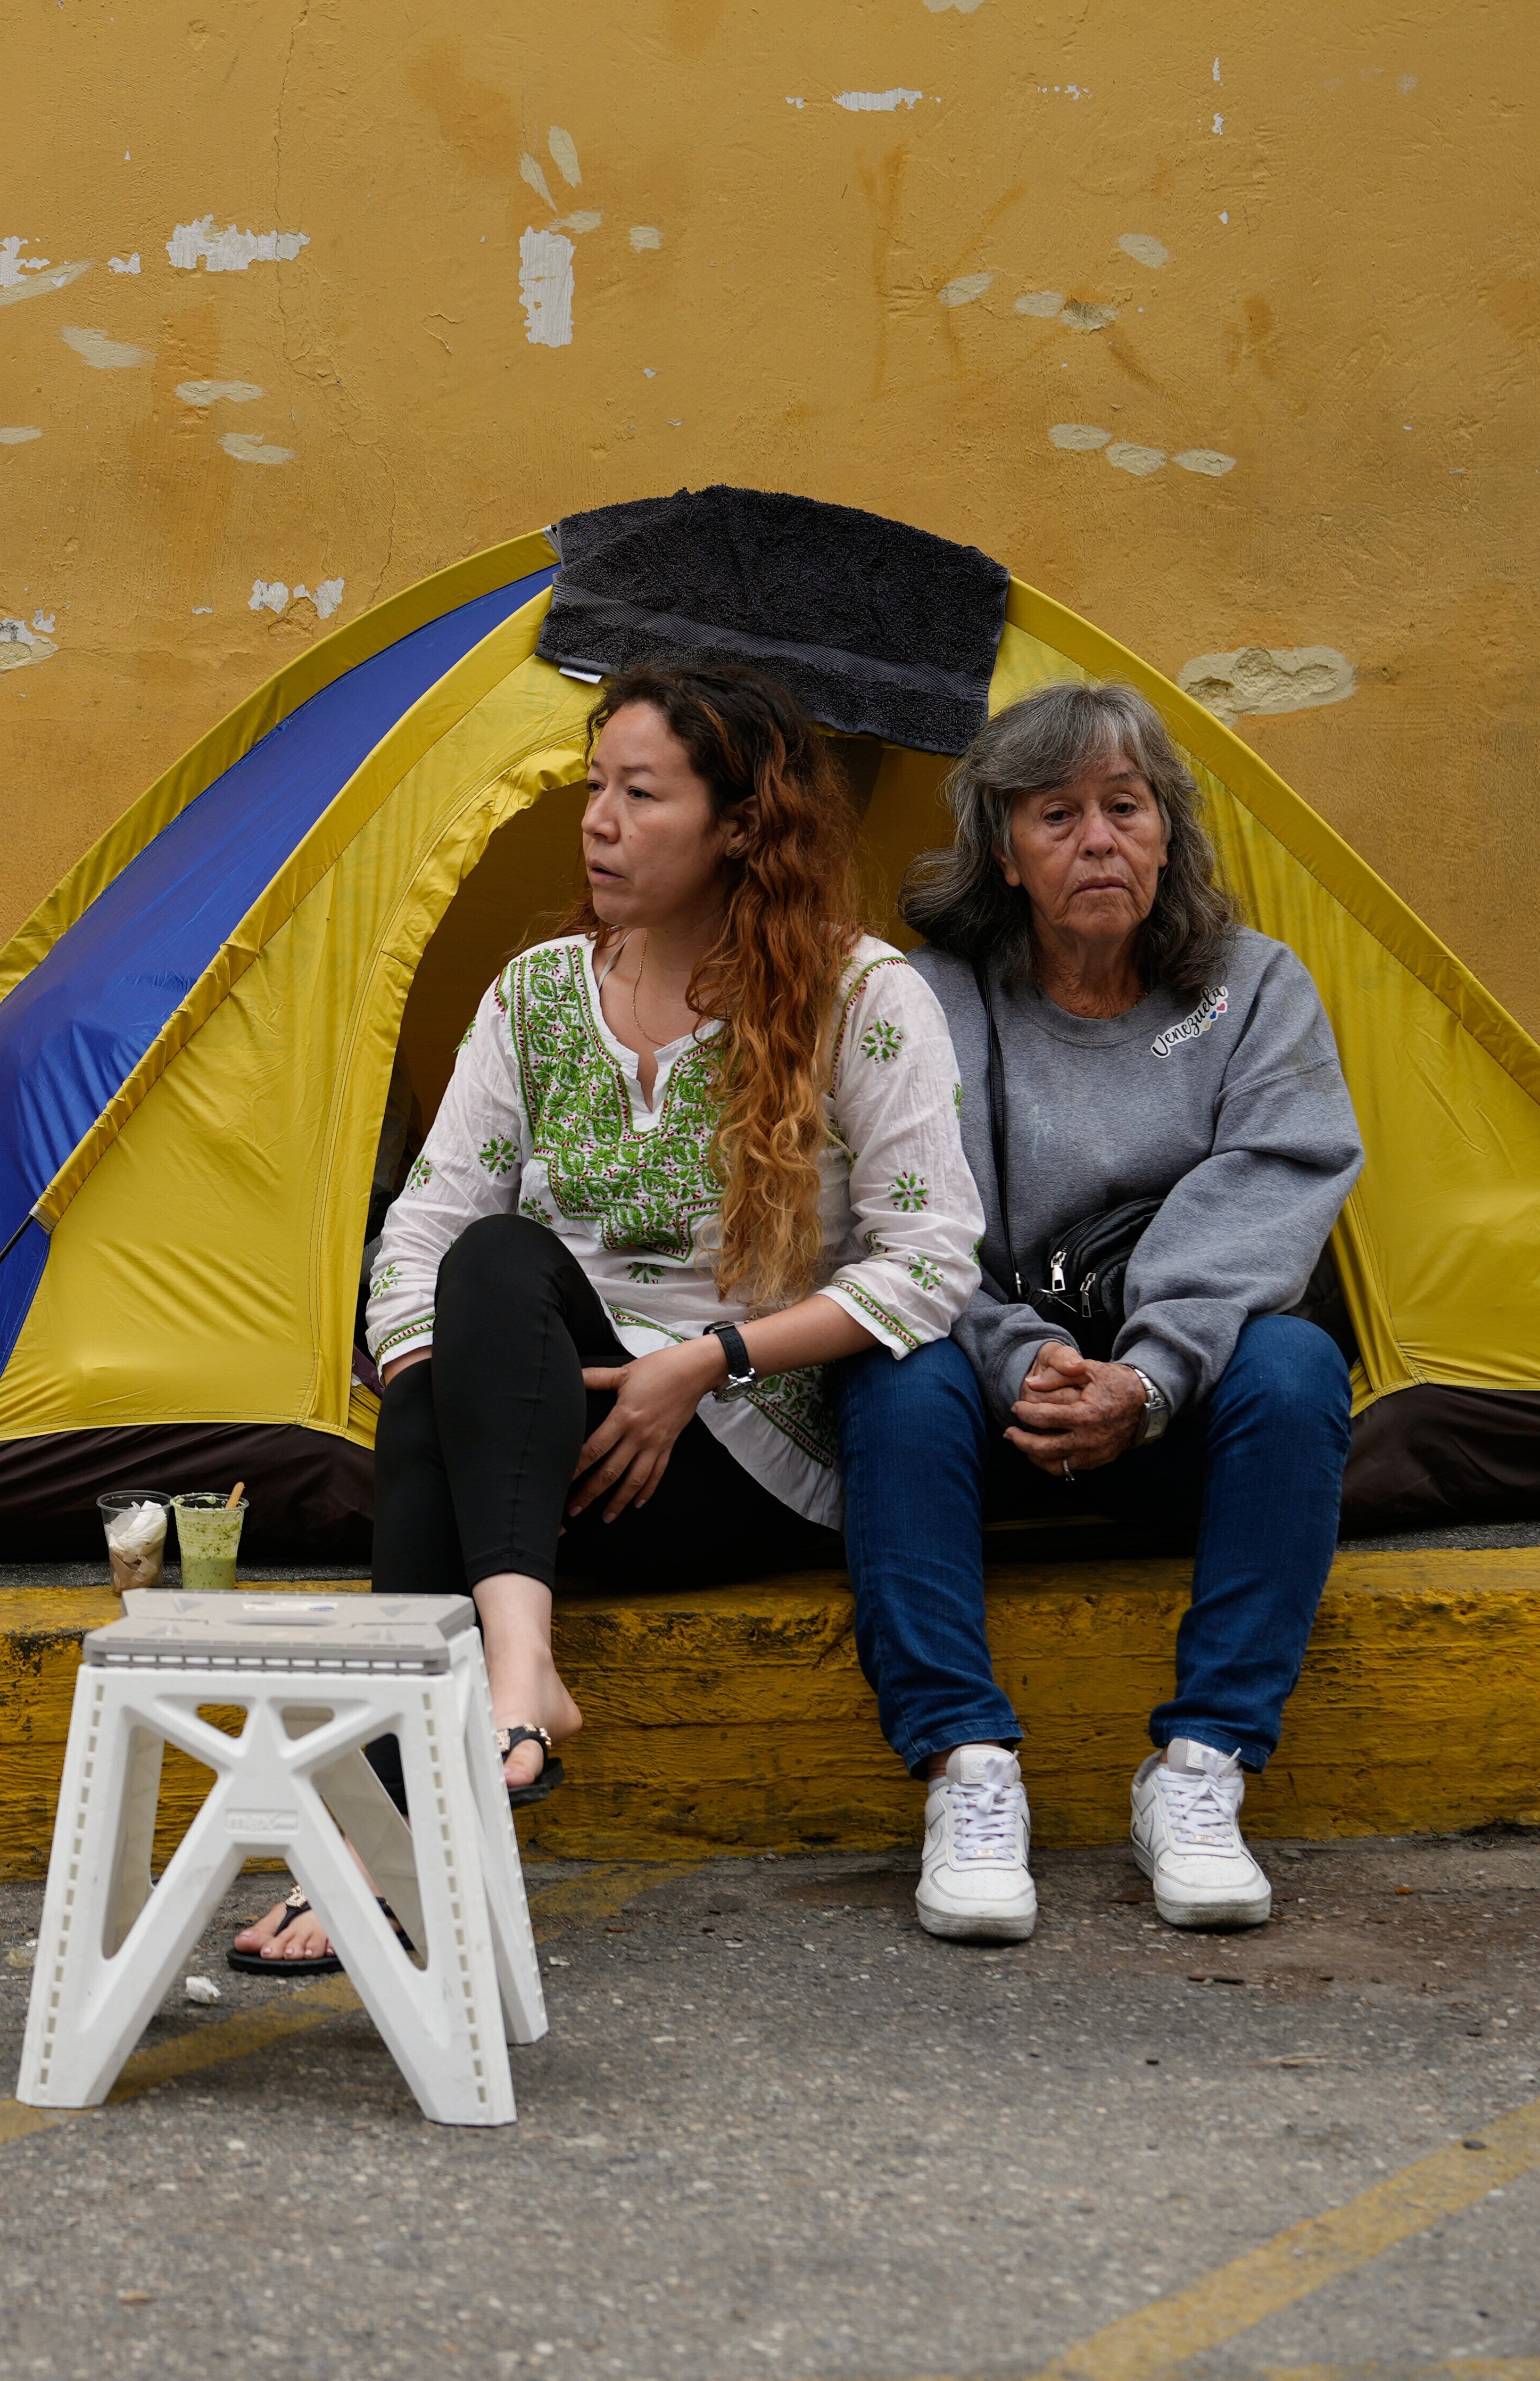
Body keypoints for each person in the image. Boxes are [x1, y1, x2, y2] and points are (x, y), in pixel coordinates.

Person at [241, 656, 980, 1971]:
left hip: (736, 1448)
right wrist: (441, 1386)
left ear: (741, 825)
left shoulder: (865, 997)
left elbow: (930, 1260)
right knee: (486, 1264)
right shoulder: (534, 994)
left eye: (642, 794)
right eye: (594, 788)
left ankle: (378, 1837)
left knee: (473, 1330)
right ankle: (522, 1678)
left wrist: (705, 1360)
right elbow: (419, 1234)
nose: (597, 821)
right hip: (537, 1452)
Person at [846, 682, 1362, 1944]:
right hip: (994, 1401)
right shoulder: (929, 999)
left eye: (1126, 808)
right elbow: (893, 1223)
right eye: (1057, 815)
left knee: (1298, 1367)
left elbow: (1275, 1185)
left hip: (1173, 1402)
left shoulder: (1249, 990)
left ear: (1166, 832)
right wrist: (1019, 1354)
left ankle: (1202, 1767)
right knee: (891, 1373)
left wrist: (1148, 1375)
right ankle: (965, 1766)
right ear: (1003, 851)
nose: (1098, 841)